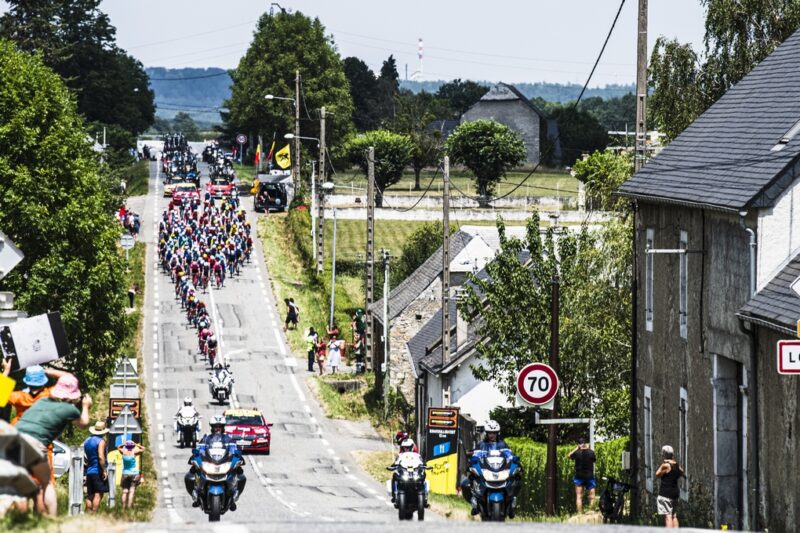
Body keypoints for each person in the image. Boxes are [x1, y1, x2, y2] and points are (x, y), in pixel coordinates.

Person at [15, 374, 91, 516]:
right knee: (45, 485)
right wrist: (86, 406)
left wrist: (5, 374)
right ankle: (50, 520)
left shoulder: (32, 398)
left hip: (12, 439)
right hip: (36, 445)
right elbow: (84, 423)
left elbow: (2, 396)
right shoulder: (55, 400)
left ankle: (17, 522)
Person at [186, 416, 246, 510]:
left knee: (241, 476)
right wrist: (196, 454)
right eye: (215, 426)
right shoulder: (206, 439)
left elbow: (234, 449)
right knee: (189, 476)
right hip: (210, 462)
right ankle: (196, 497)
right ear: (212, 427)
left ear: (223, 427)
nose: (217, 428)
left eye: (219, 426)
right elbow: (200, 449)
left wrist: (237, 455)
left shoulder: (229, 439)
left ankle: (233, 497)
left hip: (224, 462)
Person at [83, 420, 109, 513]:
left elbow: (85, 456)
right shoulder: (101, 441)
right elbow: (101, 456)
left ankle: (88, 513)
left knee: (90, 495)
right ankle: (94, 514)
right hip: (98, 471)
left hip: (89, 471)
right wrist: (104, 470)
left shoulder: (87, 440)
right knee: (98, 494)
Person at [656, 445, 684, 528]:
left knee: (668, 516)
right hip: (674, 493)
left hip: (665, 494)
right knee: (674, 516)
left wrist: (664, 468)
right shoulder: (676, 465)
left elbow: (657, 474)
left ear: (664, 454)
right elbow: (681, 472)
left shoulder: (665, 465)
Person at [568, 436, 596, 513]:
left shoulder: (576, 453)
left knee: (579, 496)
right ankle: (591, 512)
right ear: (586, 444)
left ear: (579, 445)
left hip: (579, 477)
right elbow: (594, 460)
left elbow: (569, 455)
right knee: (592, 497)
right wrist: (588, 448)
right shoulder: (591, 452)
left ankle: (579, 513)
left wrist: (576, 448)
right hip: (589, 477)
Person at [118, 440, 145, 510]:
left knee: (125, 491)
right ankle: (129, 507)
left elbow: (118, 447)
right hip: (134, 473)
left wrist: (123, 444)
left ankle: (123, 508)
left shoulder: (123, 452)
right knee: (132, 491)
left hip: (125, 473)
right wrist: (136, 444)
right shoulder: (134, 452)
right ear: (132, 447)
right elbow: (143, 449)